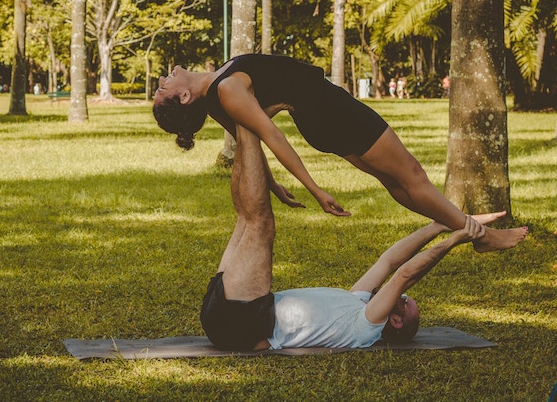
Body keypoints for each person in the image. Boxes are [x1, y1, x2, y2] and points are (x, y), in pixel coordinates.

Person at [152, 53, 527, 253]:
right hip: (332, 112)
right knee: (411, 174)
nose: (165, 78)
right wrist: (314, 188)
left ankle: (459, 224)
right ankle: (479, 235)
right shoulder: (226, 91)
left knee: (394, 180)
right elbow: (272, 139)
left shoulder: (220, 93)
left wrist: (275, 186)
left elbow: (250, 144)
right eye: (163, 87)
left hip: (321, 121)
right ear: (184, 97)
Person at [201, 124, 519, 351]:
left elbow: (405, 274)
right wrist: (443, 224)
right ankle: (242, 117)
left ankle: (246, 116)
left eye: (403, 302)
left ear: (394, 321)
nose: (398, 295)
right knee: (247, 218)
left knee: (260, 223)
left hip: (243, 321)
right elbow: (391, 260)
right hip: (233, 308)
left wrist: (454, 241)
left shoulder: (365, 327)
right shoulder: (356, 302)